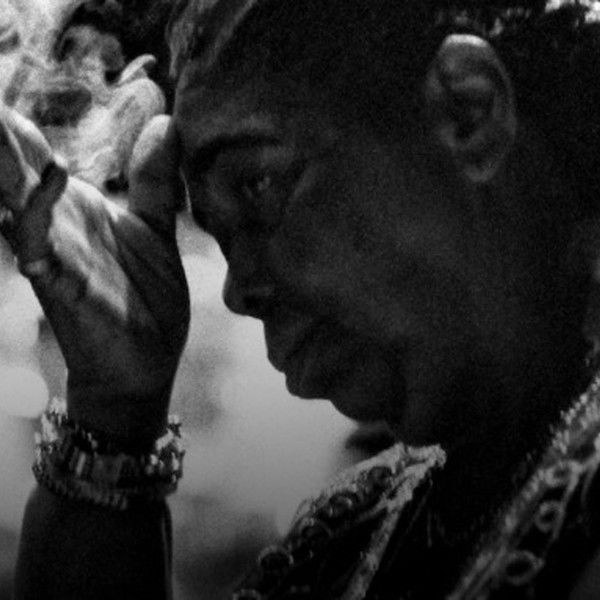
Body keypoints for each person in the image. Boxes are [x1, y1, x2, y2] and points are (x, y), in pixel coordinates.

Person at [4, 0, 600, 597]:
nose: (238, 292)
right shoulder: (354, 537)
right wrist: (115, 412)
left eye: (258, 183)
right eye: (220, 235)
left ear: (468, 111)